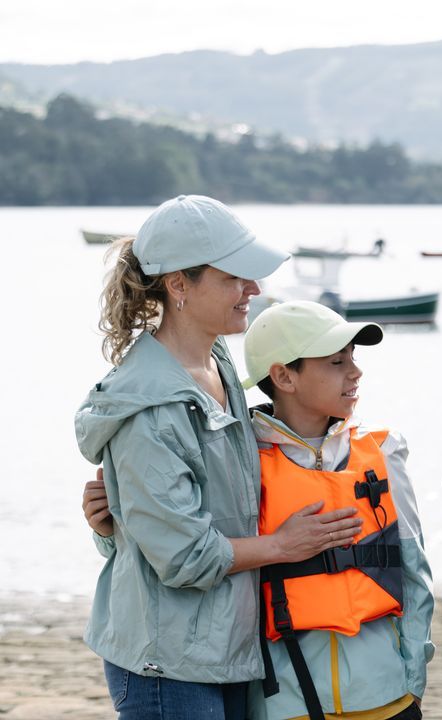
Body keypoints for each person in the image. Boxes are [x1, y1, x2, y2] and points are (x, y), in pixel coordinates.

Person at [75, 195, 364, 719]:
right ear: (179, 285)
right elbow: (184, 557)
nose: (253, 289)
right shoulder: (150, 407)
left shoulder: (219, 361)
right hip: (168, 664)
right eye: (234, 277)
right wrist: (281, 546)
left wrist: (116, 522)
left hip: (226, 648)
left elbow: (206, 500)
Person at [240, 300, 434, 720]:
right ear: (283, 376)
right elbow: (189, 551)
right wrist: (107, 531)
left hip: (387, 700)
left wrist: (412, 682)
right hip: (284, 704)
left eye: (353, 358)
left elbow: (415, 574)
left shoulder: (383, 450)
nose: (355, 371)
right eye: (335, 361)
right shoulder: (241, 462)